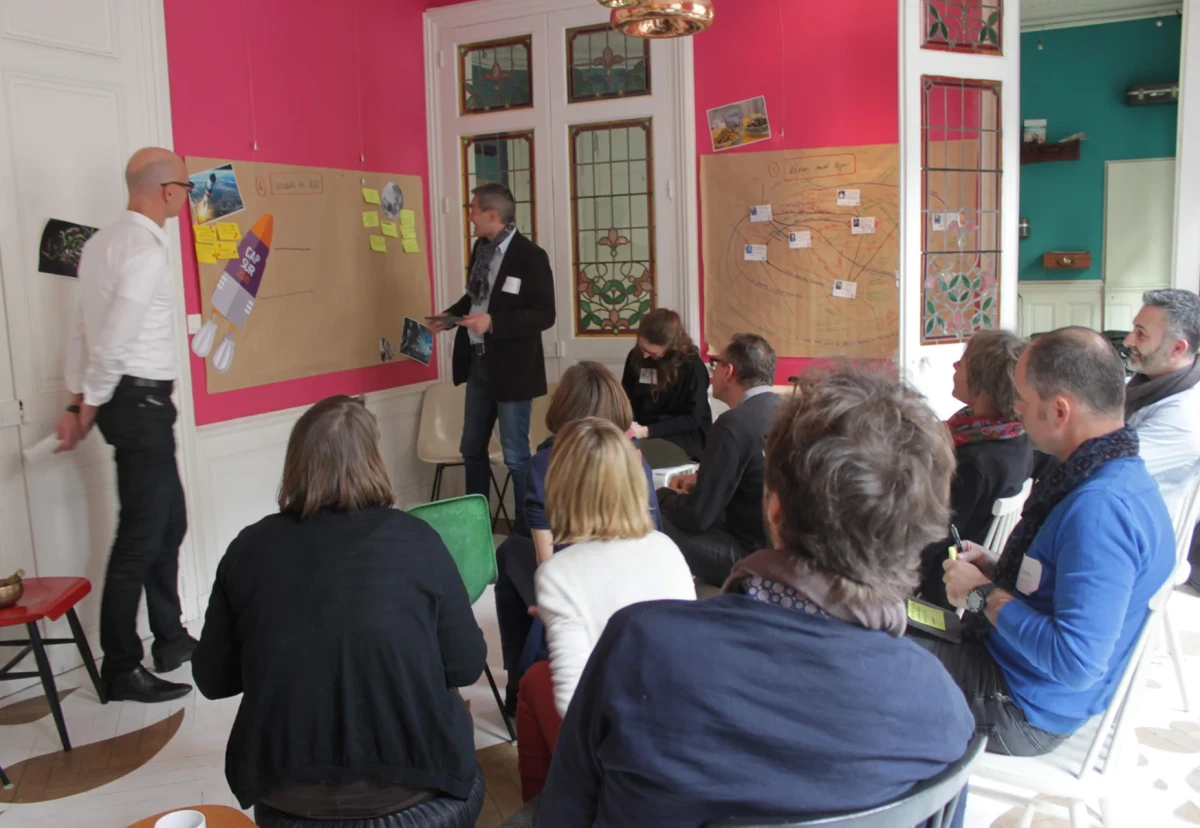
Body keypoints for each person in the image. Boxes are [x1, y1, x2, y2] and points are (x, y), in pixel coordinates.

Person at [534, 369, 974, 828]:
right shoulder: (943, 710)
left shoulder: (640, 645)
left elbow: (565, 814)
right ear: (919, 531)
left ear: (773, 508)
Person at [193, 396, 487, 825]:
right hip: (420, 799)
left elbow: (213, 680)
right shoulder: (418, 539)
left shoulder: (248, 549)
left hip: (288, 800)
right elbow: (467, 666)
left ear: (296, 461)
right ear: (374, 459)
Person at [927, 327, 1175, 756]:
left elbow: (1076, 661)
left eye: (1022, 398)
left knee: (865, 663)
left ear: (1059, 410)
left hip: (1022, 707)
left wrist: (983, 594)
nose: (1016, 409)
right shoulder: (1116, 474)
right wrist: (997, 567)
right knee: (888, 632)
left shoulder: (1100, 509)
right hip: (1016, 673)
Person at [55, 148, 196, 703]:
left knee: (170, 522)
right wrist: (86, 402)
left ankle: (171, 637)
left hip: (132, 404)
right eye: (185, 187)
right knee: (140, 536)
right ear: (166, 191)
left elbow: (80, 330)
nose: (186, 198)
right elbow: (110, 338)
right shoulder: (143, 250)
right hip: (137, 405)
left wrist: (77, 400)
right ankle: (120, 666)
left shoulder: (98, 245)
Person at [516, 418, 694, 801]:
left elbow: (573, 705)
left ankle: (541, 809)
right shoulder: (668, 550)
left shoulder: (559, 573)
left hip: (618, 756)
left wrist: (561, 624)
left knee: (533, 679)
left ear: (560, 486)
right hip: (680, 734)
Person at [494, 362, 659, 714]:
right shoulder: (635, 460)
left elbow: (546, 563)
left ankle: (514, 681)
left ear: (564, 406)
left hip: (571, 584)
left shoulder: (544, 464)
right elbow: (653, 532)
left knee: (508, 551)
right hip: (637, 585)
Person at [430, 182, 555, 538]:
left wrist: (495, 323)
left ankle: (526, 533)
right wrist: (449, 316)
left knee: (516, 455)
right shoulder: (481, 248)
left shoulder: (531, 256)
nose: (469, 217)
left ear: (492, 215)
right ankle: (476, 528)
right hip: (478, 363)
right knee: (471, 447)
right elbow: (476, 299)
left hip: (514, 370)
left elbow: (545, 314)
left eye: (472, 210)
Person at [918, 329, 1033, 607]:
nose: (956, 366)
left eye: (963, 361)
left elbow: (933, 538)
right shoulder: (1017, 436)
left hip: (942, 583)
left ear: (982, 383)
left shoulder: (974, 462)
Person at [657, 333, 780, 587]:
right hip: (781, 553)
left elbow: (698, 517)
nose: (713, 371)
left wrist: (663, 495)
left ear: (729, 371)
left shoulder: (732, 425)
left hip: (747, 557)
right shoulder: (788, 410)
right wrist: (700, 481)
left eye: (716, 364)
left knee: (648, 510)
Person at [1124, 289, 1200, 520]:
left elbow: (1107, 469)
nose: (1128, 341)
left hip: (1139, 535)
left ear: (1178, 348)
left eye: (1141, 334)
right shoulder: (1142, 384)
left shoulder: (1182, 417)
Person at [621, 309, 711, 465]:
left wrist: (647, 431)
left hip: (680, 438)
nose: (645, 356)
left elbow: (692, 419)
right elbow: (626, 398)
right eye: (641, 347)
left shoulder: (692, 367)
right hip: (640, 431)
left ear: (670, 347)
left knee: (625, 458)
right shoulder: (636, 357)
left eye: (653, 353)